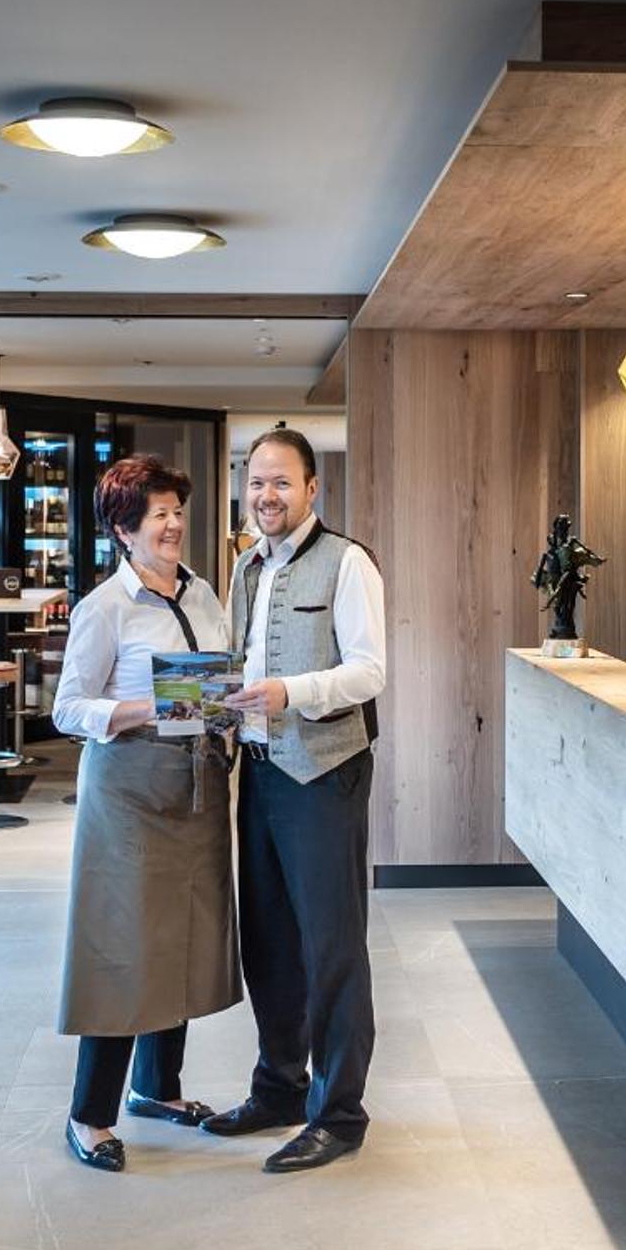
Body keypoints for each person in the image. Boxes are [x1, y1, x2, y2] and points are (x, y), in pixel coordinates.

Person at [48, 455, 240, 1172]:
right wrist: (149, 707)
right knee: (123, 944)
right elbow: (68, 708)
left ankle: (157, 1087)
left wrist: (229, 704)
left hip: (197, 784)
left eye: (176, 511)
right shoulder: (105, 607)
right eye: (157, 514)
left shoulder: (203, 592)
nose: (173, 524)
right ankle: (89, 1114)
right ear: (124, 530)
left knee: (180, 936)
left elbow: (218, 680)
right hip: (128, 790)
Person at [203, 427, 389, 1173]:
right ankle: (279, 1087)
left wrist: (293, 691)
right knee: (270, 942)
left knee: (331, 946)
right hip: (258, 770)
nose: (266, 496)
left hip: (325, 775)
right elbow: (239, 663)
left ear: (313, 489)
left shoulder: (348, 562)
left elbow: (369, 671)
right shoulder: (245, 567)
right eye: (256, 483)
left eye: (281, 482)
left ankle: (338, 1113)